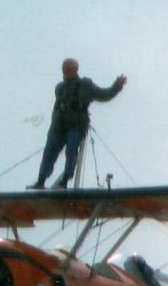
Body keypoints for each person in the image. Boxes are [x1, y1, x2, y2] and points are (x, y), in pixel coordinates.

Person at [28, 58, 126, 190]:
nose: (65, 71)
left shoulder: (85, 85)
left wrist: (117, 86)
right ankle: (41, 181)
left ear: (75, 70)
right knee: (49, 151)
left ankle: (64, 181)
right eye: (64, 69)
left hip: (76, 125)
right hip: (58, 125)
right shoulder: (59, 88)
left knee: (71, 151)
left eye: (68, 69)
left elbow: (104, 95)